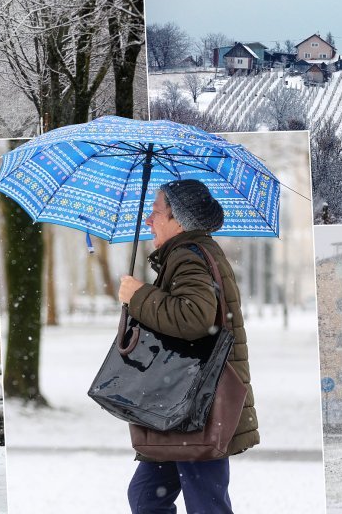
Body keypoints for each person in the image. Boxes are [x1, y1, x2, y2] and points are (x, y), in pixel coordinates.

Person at [118, 179, 258, 514]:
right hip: (182, 404)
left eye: (155, 213)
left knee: (203, 503)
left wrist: (138, 296)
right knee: (146, 496)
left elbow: (193, 318)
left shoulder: (187, 255)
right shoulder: (189, 253)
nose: (148, 221)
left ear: (178, 220)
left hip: (196, 406)